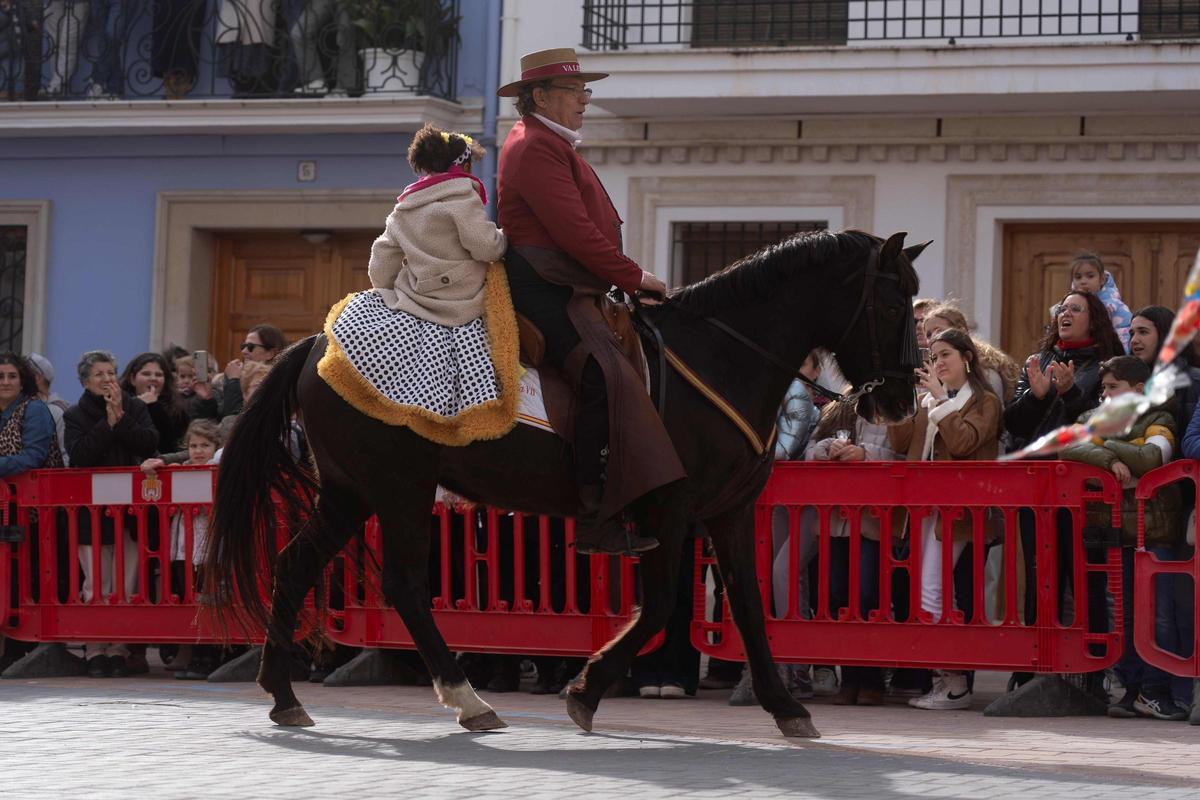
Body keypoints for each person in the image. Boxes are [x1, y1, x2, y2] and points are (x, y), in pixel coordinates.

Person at [497, 47, 682, 555]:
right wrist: (634, 276)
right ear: (540, 97)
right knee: (603, 377)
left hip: (568, 283)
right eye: (574, 91)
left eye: (585, 90)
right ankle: (595, 518)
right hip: (545, 288)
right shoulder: (534, 146)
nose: (584, 100)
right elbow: (574, 232)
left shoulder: (549, 142)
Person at [1062, 356, 1189, 721]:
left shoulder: (1159, 418)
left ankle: (1155, 691)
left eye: (1113, 387)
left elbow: (1151, 458)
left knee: (1158, 615)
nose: (1105, 395)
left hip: (1154, 533)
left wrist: (1105, 446)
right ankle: (1132, 690)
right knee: (1124, 615)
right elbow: (1068, 446)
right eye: (1103, 388)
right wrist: (1109, 461)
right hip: (1115, 533)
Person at [888, 329, 1003, 710]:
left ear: (967, 357)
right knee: (931, 591)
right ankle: (946, 682)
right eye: (933, 357)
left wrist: (940, 400)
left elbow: (963, 443)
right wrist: (905, 400)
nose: (938, 363)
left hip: (959, 512)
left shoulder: (986, 401)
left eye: (945, 355)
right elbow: (899, 443)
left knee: (931, 590)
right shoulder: (928, 400)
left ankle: (954, 684)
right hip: (924, 509)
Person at [64, 351, 160, 678]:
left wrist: (121, 416)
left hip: (130, 512)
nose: (107, 379)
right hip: (92, 513)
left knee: (125, 583)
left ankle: (118, 648)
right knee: (97, 584)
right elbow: (80, 455)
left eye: (110, 373)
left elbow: (149, 442)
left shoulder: (134, 406)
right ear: (85, 381)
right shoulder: (75, 414)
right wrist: (107, 424)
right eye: (99, 374)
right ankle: (94, 649)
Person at [368, 122, 506, 328]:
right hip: (464, 306)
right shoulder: (462, 199)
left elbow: (381, 264)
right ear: (466, 167)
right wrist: (504, 238)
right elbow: (486, 248)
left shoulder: (404, 209)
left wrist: (389, 291)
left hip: (413, 304)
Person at [141, 418, 221, 678]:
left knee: (206, 598)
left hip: (206, 545)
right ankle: (192, 651)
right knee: (187, 596)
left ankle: (208, 654)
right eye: (194, 445)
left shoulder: (216, 470)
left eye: (205, 445)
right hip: (182, 545)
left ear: (215, 447)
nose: (198, 451)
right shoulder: (179, 470)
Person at [1004, 291, 1123, 453]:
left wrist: (1070, 393)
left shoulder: (1108, 366)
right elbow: (1012, 425)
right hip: (1029, 462)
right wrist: (1034, 398)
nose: (1066, 313)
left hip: (1073, 462)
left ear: (1093, 322)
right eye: (1062, 309)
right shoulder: (1036, 362)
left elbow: (1104, 425)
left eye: (1075, 309)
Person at [920, 303, 1020, 402]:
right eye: (928, 335)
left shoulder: (987, 375)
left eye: (939, 331)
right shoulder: (939, 371)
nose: (933, 337)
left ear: (961, 331)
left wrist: (941, 397)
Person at [120, 352, 188, 455]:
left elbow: (169, 445)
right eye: (146, 374)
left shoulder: (178, 409)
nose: (153, 378)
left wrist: (154, 407)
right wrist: (138, 405)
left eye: (159, 375)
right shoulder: (119, 404)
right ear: (132, 379)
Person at [1062, 251, 1132, 349]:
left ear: (1102, 279)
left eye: (1090, 276)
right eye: (1078, 277)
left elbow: (1124, 335)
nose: (1083, 281)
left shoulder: (1112, 306)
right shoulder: (1066, 306)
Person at [219, 324, 286, 417]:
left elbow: (236, 417)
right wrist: (207, 398)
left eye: (250, 346)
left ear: (270, 353)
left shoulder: (279, 382)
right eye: (243, 346)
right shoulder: (236, 376)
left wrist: (233, 381)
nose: (244, 351)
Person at [26, 352, 69, 465]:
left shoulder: (57, 411)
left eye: (25, 374)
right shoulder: (24, 406)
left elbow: (65, 454)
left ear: (37, 377)